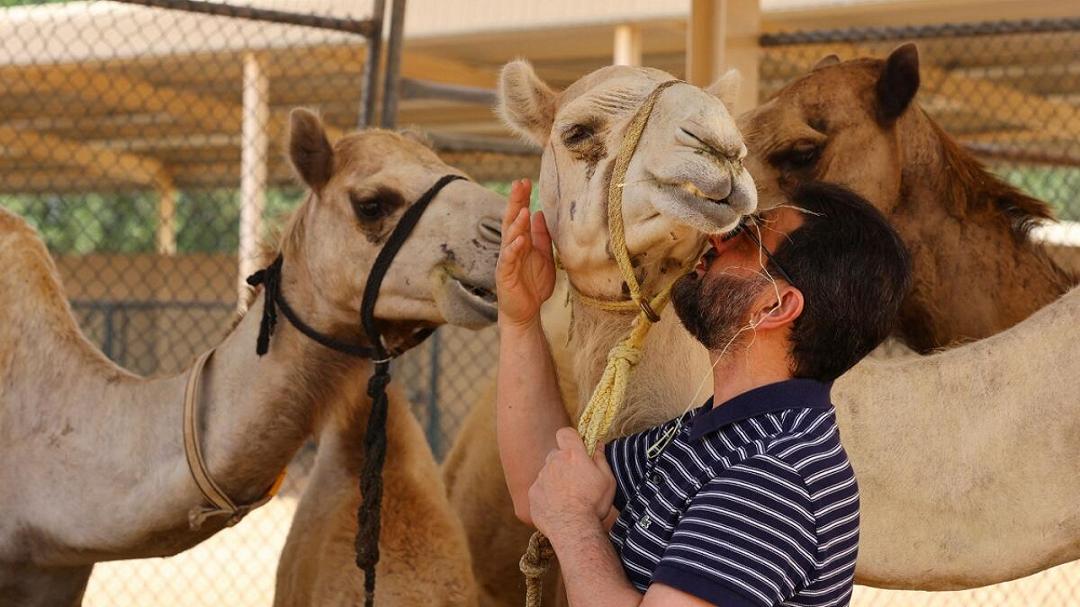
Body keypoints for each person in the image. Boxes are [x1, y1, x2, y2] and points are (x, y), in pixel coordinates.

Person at [495, 178, 911, 607]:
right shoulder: (708, 434)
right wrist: (522, 317)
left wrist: (574, 521)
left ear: (774, 307)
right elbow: (540, 488)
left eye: (746, 235)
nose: (716, 238)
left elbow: (564, 506)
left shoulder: (776, 476)